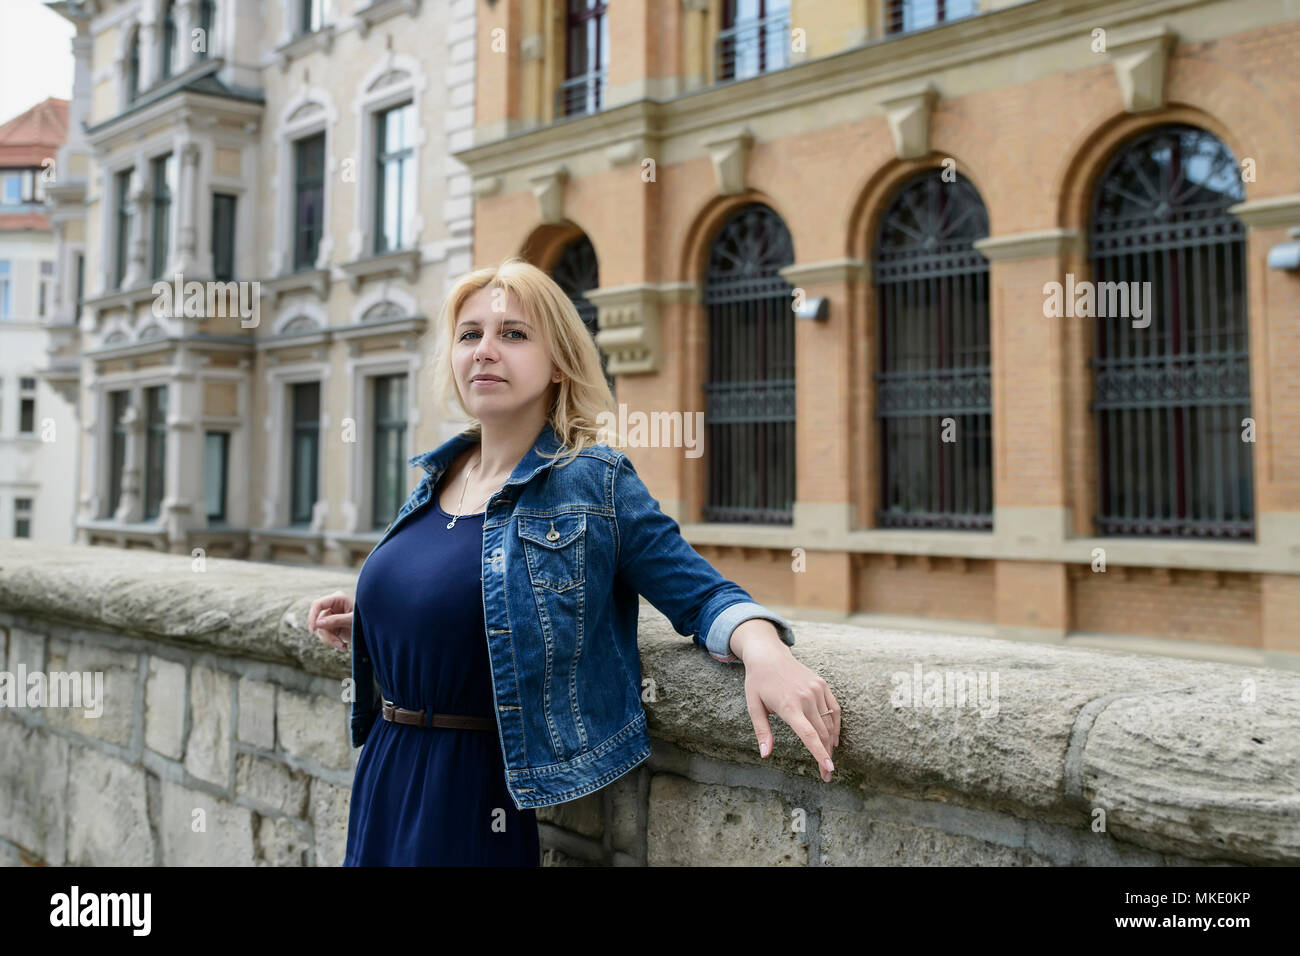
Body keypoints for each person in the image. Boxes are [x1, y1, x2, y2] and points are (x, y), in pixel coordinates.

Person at [308, 257, 840, 866]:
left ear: (558, 362)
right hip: (386, 767)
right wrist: (381, 616)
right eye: (469, 334)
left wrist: (765, 650)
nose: (485, 350)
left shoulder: (592, 481)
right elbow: (472, 591)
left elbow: (700, 594)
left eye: (513, 334)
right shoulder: (437, 474)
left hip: (475, 789)